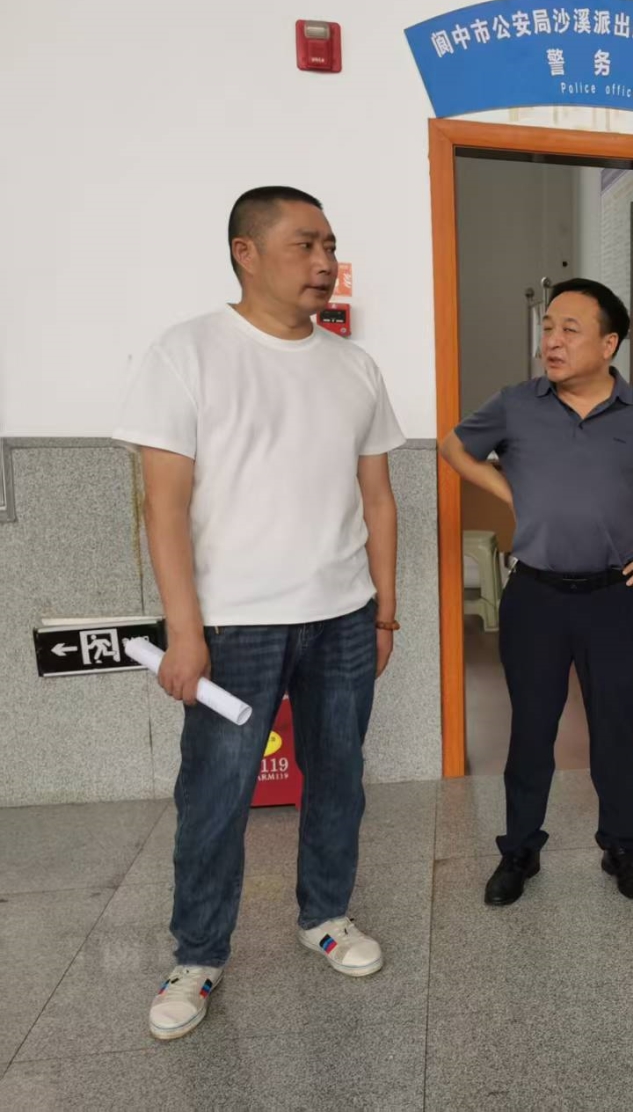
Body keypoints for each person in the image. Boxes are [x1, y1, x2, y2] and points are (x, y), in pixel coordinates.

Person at [114, 186, 406, 1041]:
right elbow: (163, 506)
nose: (324, 262)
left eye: (331, 246)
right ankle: (198, 955)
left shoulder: (354, 366)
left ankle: (326, 915)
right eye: (304, 245)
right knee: (216, 794)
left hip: (343, 616)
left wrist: (385, 612)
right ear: (246, 251)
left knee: (339, 776)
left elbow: (378, 498)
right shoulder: (187, 353)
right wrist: (184, 630)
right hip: (234, 623)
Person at [439, 279, 633, 907]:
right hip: (536, 596)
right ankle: (519, 850)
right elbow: (455, 447)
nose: (552, 342)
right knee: (531, 729)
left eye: (569, 329)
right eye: (548, 328)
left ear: (608, 344)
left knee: (615, 727)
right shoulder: (517, 404)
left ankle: (622, 846)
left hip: (614, 597)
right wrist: (514, 494)